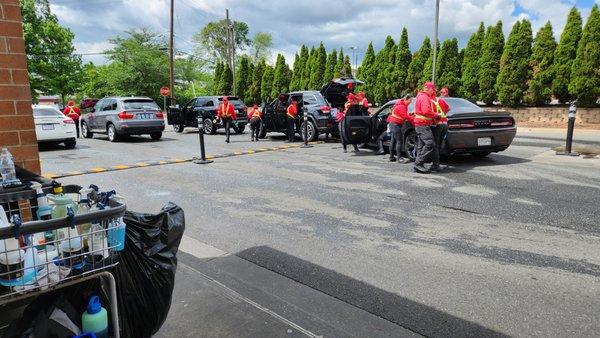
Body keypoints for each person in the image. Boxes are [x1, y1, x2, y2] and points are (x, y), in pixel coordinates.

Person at [413, 82, 440, 173]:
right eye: (433, 90)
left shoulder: (420, 96)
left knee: (421, 145)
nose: (433, 92)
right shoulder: (425, 97)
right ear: (429, 88)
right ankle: (418, 163)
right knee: (430, 144)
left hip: (421, 124)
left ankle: (419, 164)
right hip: (422, 124)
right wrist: (436, 115)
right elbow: (426, 111)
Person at [386, 95, 412, 163]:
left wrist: (410, 115)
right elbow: (405, 116)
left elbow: (402, 115)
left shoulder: (399, 104)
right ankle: (399, 158)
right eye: (410, 100)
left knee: (393, 140)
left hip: (393, 124)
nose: (410, 102)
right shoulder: (401, 106)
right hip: (396, 125)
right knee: (399, 141)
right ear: (406, 99)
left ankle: (391, 157)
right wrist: (413, 118)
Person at [431, 95, 450, 164]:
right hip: (445, 123)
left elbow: (428, 112)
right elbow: (448, 108)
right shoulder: (441, 100)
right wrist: (443, 114)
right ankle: (437, 160)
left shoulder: (430, 101)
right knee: (439, 143)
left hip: (437, 124)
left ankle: (435, 163)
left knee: (435, 144)